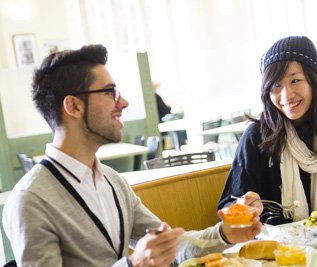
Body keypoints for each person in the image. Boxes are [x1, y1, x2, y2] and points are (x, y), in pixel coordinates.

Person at [2, 45, 263, 267]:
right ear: (74, 105)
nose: (123, 102)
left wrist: (225, 233)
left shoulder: (113, 181)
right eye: (110, 92)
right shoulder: (30, 200)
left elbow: (171, 245)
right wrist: (132, 264)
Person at [217, 36, 317, 225]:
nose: (286, 95)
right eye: (275, 85)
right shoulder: (257, 138)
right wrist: (243, 208)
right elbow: (229, 205)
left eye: (295, 80)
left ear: (314, 82)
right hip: (277, 249)